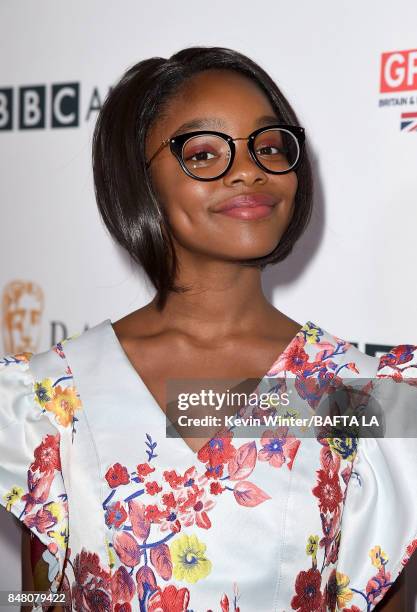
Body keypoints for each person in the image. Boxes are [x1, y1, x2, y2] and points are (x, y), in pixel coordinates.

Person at [1, 46, 416, 612]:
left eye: (269, 146)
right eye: (202, 153)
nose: (249, 169)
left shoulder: (364, 394)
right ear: (137, 180)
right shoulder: (51, 395)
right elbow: (36, 596)